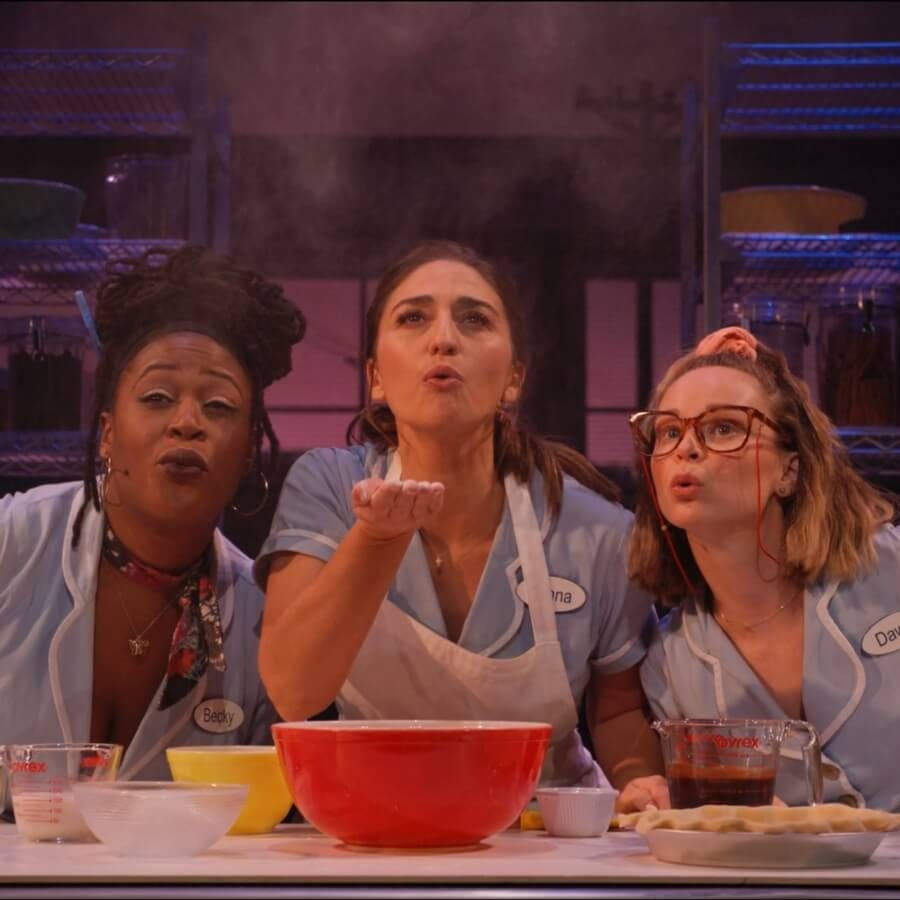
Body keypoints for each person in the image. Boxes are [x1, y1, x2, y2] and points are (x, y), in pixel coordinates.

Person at [257, 240, 667, 811]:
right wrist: (377, 538)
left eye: (474, 319)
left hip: (544, 849)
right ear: (375, 377)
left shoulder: (597, 530)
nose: (443, 338)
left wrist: (639, 783)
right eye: (413, 318)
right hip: (375, 833)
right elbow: (294, 690)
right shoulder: (329, 488)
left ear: (513, 379)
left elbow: (619, 710)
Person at [0, 245, 306, 781]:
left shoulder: (262, 625)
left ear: (250, 448)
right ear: (108, 433)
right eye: (158, 397)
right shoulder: (12, 542)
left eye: (219, 407)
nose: (188, 422)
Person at [630, 326, 899, 810]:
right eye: (670, 431)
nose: (686, 449)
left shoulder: (887, 566)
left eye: (724, 428)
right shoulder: (671, 664)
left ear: (788, 471)